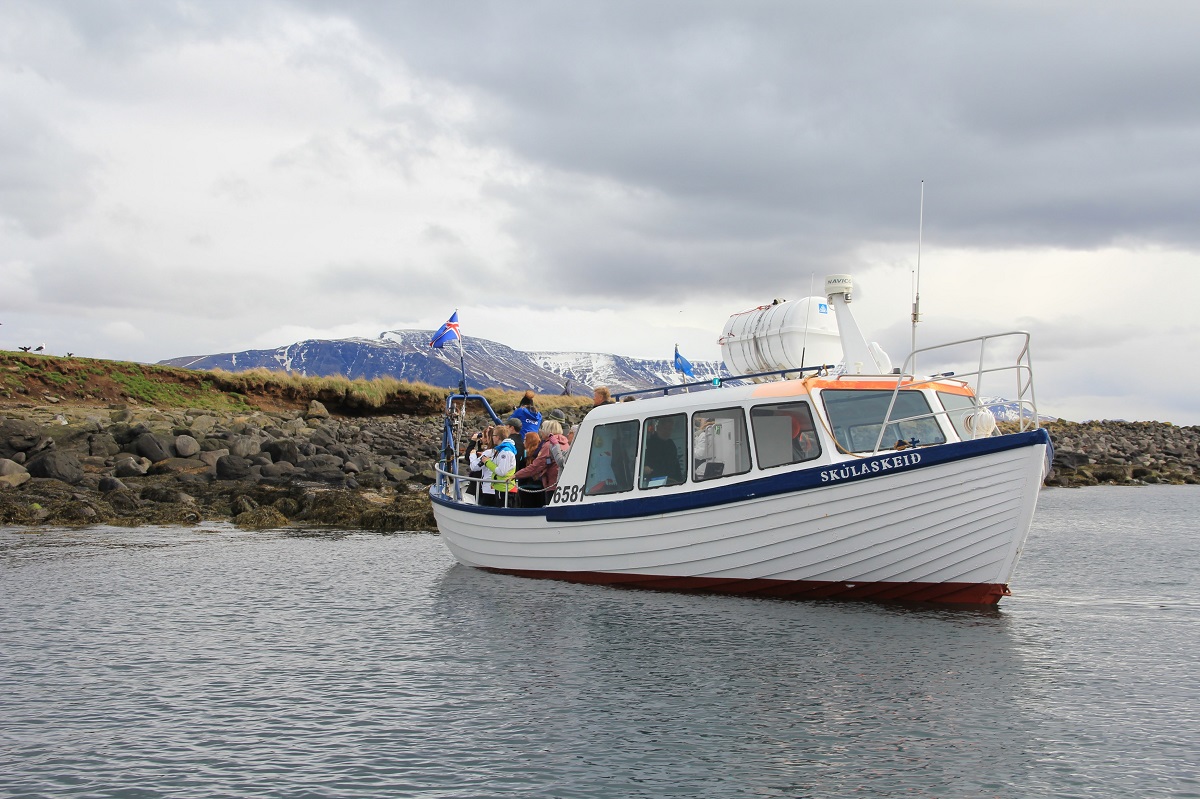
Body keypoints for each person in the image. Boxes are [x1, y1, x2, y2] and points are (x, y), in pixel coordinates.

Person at [514, 420, 570, 505]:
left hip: (552, 484)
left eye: (542, 428)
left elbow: (536, 466)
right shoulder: (566, 443)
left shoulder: (548, 445)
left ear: (548, 430)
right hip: (564, 483)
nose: (540, 431)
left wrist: (516, 475)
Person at [481, 425, 519, 507]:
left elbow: (502, 472)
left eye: (493, 435)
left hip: (505, 489)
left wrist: (487, 462)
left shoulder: (505, 452)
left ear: (498, 437)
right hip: (501, 488)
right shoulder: (501, 450)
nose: (492, 438)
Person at [642, 417, 683, 486]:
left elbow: (676, 465)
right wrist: (644, 469)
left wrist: (680, 482)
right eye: (665, 429)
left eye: (670, 429)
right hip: (653, 482)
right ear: (658, 428)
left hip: (672, 481)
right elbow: (641, 465)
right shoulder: (648, 444)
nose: (667, 432)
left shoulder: (671, 444)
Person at [518, 431, 544, 507]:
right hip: (540, 487)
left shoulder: (525, 456)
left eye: (525, 440)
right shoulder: (541, 454)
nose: (523, 442)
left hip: (525, 487)